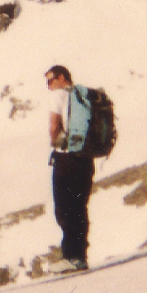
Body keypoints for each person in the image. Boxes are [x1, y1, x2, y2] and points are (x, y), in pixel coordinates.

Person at [44, 66, 93, 272]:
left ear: (61, 77)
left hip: (66, 158)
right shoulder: (84, 96)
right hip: (85, 157)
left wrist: (55, 142)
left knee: (64, 208)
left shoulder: (59, 95)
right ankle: (80, 255)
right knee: (80, 206)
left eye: (50, 79)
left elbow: (54, 125)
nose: (48, 85)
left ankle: (72, 256)